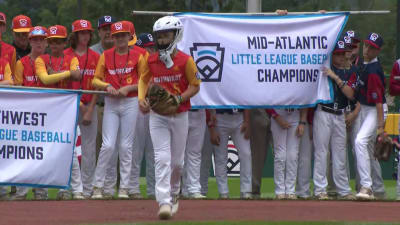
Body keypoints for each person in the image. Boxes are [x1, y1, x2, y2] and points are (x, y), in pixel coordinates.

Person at [138, 16, 200, 219]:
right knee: (162, 158)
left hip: (179, 114)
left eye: (166, 35)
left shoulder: (186, 61)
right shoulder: (151, 59)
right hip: (158, 115)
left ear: (176, 35)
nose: (162, 40)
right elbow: (144, 79)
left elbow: (195, 85)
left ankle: (174, 195)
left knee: (177, 163)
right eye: (160, 36)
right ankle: (163, 201)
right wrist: (141, 98)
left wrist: (179, 98)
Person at [91, 20, 148, 199]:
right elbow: (95, 80)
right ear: (113, 38)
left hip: (130, 102)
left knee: (126, 145)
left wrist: (128, 89)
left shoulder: (138, 56)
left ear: (129, 37)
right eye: (117, 36)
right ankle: (97, 186)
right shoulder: (106, 55)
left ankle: (124, 187)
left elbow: (145, 80)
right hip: (111, 102)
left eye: (123, 35)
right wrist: (106, 85)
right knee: (107, 145)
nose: (120, 38)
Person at [35, 24, 84, 200]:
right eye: (52, 42)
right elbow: (45, 79)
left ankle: (75, 190)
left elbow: (78, 75)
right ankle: (41, 191)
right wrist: (67, 73)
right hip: (46, 109)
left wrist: (57, 72)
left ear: (65, 43)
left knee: (69, 152)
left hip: (66, 110)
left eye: (58, 42)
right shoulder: (41, 59)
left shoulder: (71, 57)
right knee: (41, 150)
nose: (55, 45)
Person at [314, 40, 357, 200]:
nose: (339, 56)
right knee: (321, 152)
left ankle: (344, 190)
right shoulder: (324, 68)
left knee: (340, 153)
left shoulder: (351, 70)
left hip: (340, 114)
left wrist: (335, 77)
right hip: (324, 111)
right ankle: (320, 190)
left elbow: (351, 94)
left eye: (342, 53)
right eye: (336, 53)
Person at [11, 26, 49, 200]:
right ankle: (22, 190)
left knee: (43, 152)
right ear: (30, 41)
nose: (39, 42)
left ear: (46, 42)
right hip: (27, 114)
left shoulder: (53, 61)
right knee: (24, 152)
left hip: (49, 113)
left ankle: (41, 190)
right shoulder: (22, 63)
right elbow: (18, 89)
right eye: (35, 39)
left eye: (42, 39)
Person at [64, 19, 100, 199]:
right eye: (81, 32)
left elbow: (97, 86)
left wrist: (90, 108)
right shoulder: (65, 55)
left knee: (88, 148)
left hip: (90, 106)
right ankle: (68, 188)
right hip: (69, 106)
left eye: (87, 32)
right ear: (75, 35)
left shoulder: (96, 56)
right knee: (66, 147)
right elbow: (65, 85)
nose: (85, 36)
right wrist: (81, 106)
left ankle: (87, 187)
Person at [352, 33, 386, 200]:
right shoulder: (364, 65)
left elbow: (379, 102)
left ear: (377, 51)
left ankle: (367, 186)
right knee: (364, 148)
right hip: (365, 108)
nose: (367, 49)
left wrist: (381, 128)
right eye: (366, 45)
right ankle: (377, 189)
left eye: (372, 47)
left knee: (360, 141)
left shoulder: (373, 71)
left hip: (375, 110)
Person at [128, 33, 156, 199]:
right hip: (137, 107)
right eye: (148, 48)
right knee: (135, 152)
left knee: (154, 153)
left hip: (156, 109)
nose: (151, 50)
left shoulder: (158, 63)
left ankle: (153, 190)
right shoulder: (137, 62)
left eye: (153, 47)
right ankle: (133, 188)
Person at [266, 108, 306, 199]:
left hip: (295, 113)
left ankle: (290, 191)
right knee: (280, 155)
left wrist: (302, 122)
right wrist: (275, 116)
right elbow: (267, 99)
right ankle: (279, 191)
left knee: (293, 155)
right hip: (278, 112)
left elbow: (305, 101)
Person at [249, 109, 272, 199]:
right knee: (257, 156)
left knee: (283, 155)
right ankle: (254, 191)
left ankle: (286, 191)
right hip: (260, 112)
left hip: (282, 112)